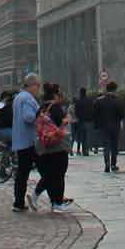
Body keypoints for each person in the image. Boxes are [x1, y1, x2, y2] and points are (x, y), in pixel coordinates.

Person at [33, 83, 73, 213]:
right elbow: (61, 123)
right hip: (57, 145)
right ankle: (55, 202)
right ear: (55, 95)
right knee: (59, 174)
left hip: (44, 145)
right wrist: (66, 119)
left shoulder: (41, 108)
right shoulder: (56, 107)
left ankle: (53, 201)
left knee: (50, 173)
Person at [9, 73, 41, 213]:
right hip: (29, 141)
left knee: (22, 173)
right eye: (37, 86)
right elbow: (28, 117)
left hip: (20, 140)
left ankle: (18, 202)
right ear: (32, 85)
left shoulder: (18, 97)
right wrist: (41, 117)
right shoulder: (28, 98)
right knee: (45, 170)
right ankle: (54, 198)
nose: (38, 89)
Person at [96, 80, 122, 173]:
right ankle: (113, 164)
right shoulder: (117, 100)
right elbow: (121, 114)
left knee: (106, 146)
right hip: (115, 126)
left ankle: (106, 163)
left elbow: (96, 114)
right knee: (114, 146)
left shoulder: (99, 101)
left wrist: (97, 125)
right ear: (115, 89)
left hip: (103, 127)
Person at [73, 85, 94, 156]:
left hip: (81, 121)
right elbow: (92, 110)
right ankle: (86, 150)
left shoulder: (78, 102)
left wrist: (79, 117)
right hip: (88, 121)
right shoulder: (89, 101)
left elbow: (76, 112)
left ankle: (83, 150)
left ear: (80, 93)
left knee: (81, 136)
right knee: (87, 136)